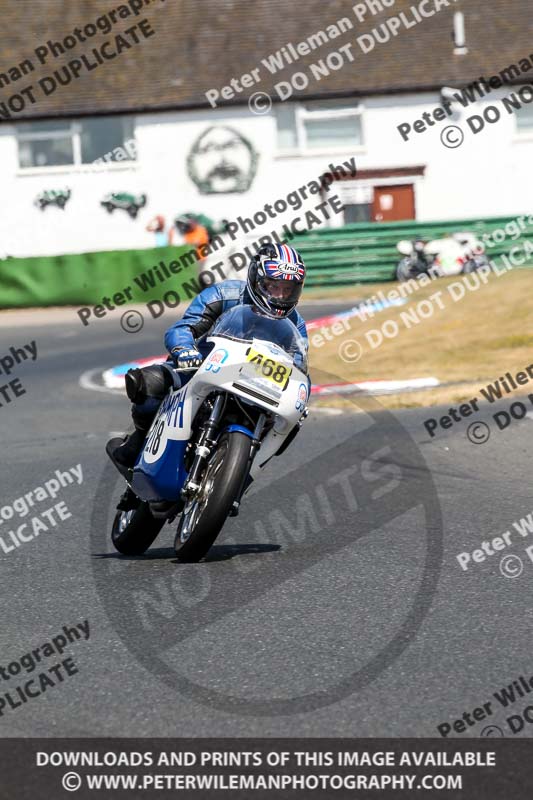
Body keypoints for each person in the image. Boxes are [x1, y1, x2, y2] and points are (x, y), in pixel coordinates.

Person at [109, 243, 309, 472]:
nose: (280, 295)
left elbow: (299, 366)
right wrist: (185, 350)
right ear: (256, 279)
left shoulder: (296, 324)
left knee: (288, 424)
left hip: (255, 385)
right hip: (201, 366)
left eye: (288, 289)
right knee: (150, 383)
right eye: (273, 286)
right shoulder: (223, 294)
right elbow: (183, 328)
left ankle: (238, 475)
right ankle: (137, 443)